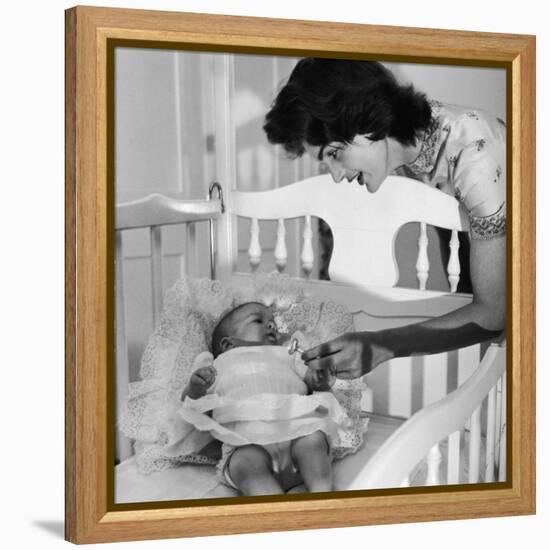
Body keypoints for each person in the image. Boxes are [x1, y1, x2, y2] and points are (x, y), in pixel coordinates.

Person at [263, 58, 506, 380]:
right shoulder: (409, 144)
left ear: (370, 121)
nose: (335, 176)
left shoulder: (476, 159)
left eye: (334, 153)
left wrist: (381, 345)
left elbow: (494, 312)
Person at [179, 301, 351, 496]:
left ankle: (321, 492)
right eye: (258, 321)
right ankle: (271, 501)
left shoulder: (288, 354)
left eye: (273, 324)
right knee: (244, 463)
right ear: (228, 343)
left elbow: (313, 382)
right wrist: (196, 386)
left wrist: (319, 376)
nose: (271, 326)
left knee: (313, 440)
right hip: (246, 439)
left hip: (296, 427)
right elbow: (190, 405)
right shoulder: (216, 364)